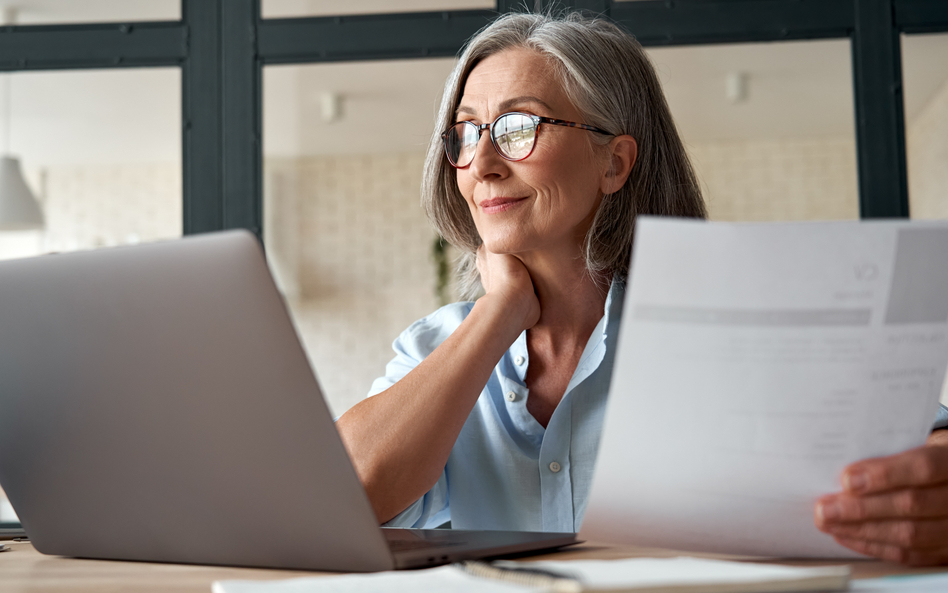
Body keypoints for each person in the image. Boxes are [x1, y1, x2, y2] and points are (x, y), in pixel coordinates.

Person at [335, 11, 948, 566]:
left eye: (517, 126)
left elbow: (918, 436)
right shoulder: (435, 348)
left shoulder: (727, 322)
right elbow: (345, 498)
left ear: (615, 162)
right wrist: (499, 313)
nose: (484, 162)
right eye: (465, 134)